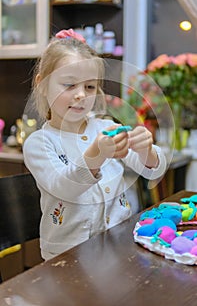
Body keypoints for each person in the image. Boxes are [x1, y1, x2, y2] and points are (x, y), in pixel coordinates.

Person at [23, 28, 166, 260]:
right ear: (42, 84)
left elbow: (153, 170)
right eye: (69, 85)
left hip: (118, 245)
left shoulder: (105, 128)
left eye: (89, 87)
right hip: (67, 256)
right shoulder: (39, 143)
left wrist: (146, 151)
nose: (81, 95)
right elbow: (64, 188)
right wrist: (96, 156)